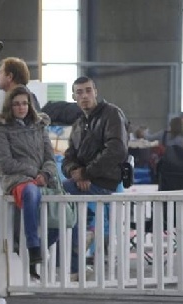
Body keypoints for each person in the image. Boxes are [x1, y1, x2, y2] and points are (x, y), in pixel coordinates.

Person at [61, 76, 128, 279]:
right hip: (85, 183)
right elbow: (67, 159)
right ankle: (79, 255)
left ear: (96, 92)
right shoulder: (78, 124)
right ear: (74, 97)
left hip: (106, 183)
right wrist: (76, 172)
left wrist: (86, 172)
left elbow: (117, 150)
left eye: (88, 90)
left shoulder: (112, 114)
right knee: (66, 205)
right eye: (79, 92)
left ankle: (74, 263)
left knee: (62, 197)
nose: (84, 96)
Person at [0, 85, 59, 272]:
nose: (21, 108)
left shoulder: (40, 127)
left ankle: (38, 247)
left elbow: (50, 158)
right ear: (10, 107)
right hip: (17, 179)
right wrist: (33, 173)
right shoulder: (1, 130)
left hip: (43, 178)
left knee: (59, 216)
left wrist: (45, 174)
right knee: (30, 192)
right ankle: (33, 245)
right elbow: (5, 163)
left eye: (24, 103)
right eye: (16, 104)